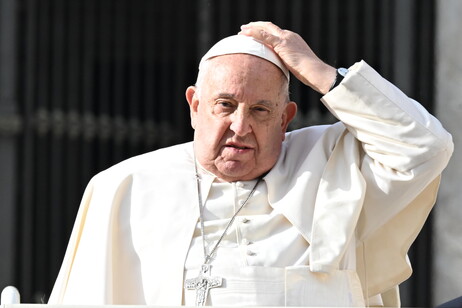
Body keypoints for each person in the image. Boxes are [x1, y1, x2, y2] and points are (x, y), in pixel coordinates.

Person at [48, 22, 453, 307]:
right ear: (194, 105)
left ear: (285, 118)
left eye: (260, 110)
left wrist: (321, 73)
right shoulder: (126, 185)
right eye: (225, 105)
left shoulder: (333, 166)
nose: (240, 127)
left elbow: (427, 147)